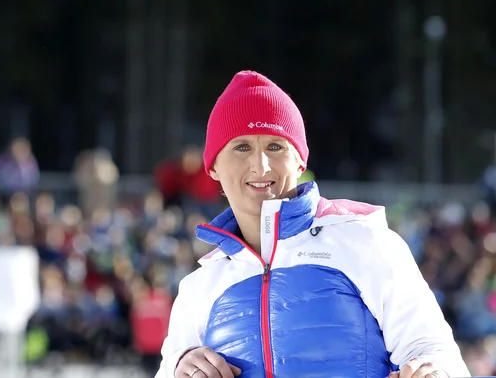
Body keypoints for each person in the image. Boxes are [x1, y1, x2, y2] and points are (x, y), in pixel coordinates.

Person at [155, 71, 470, 378]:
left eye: (275, 147)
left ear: (300, 161)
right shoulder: (200, 287)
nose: (260, 165)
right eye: (242, 147)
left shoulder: (363, 241)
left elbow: (433, 350)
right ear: (213, 167)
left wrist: (433, 371)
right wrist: (178, 368)